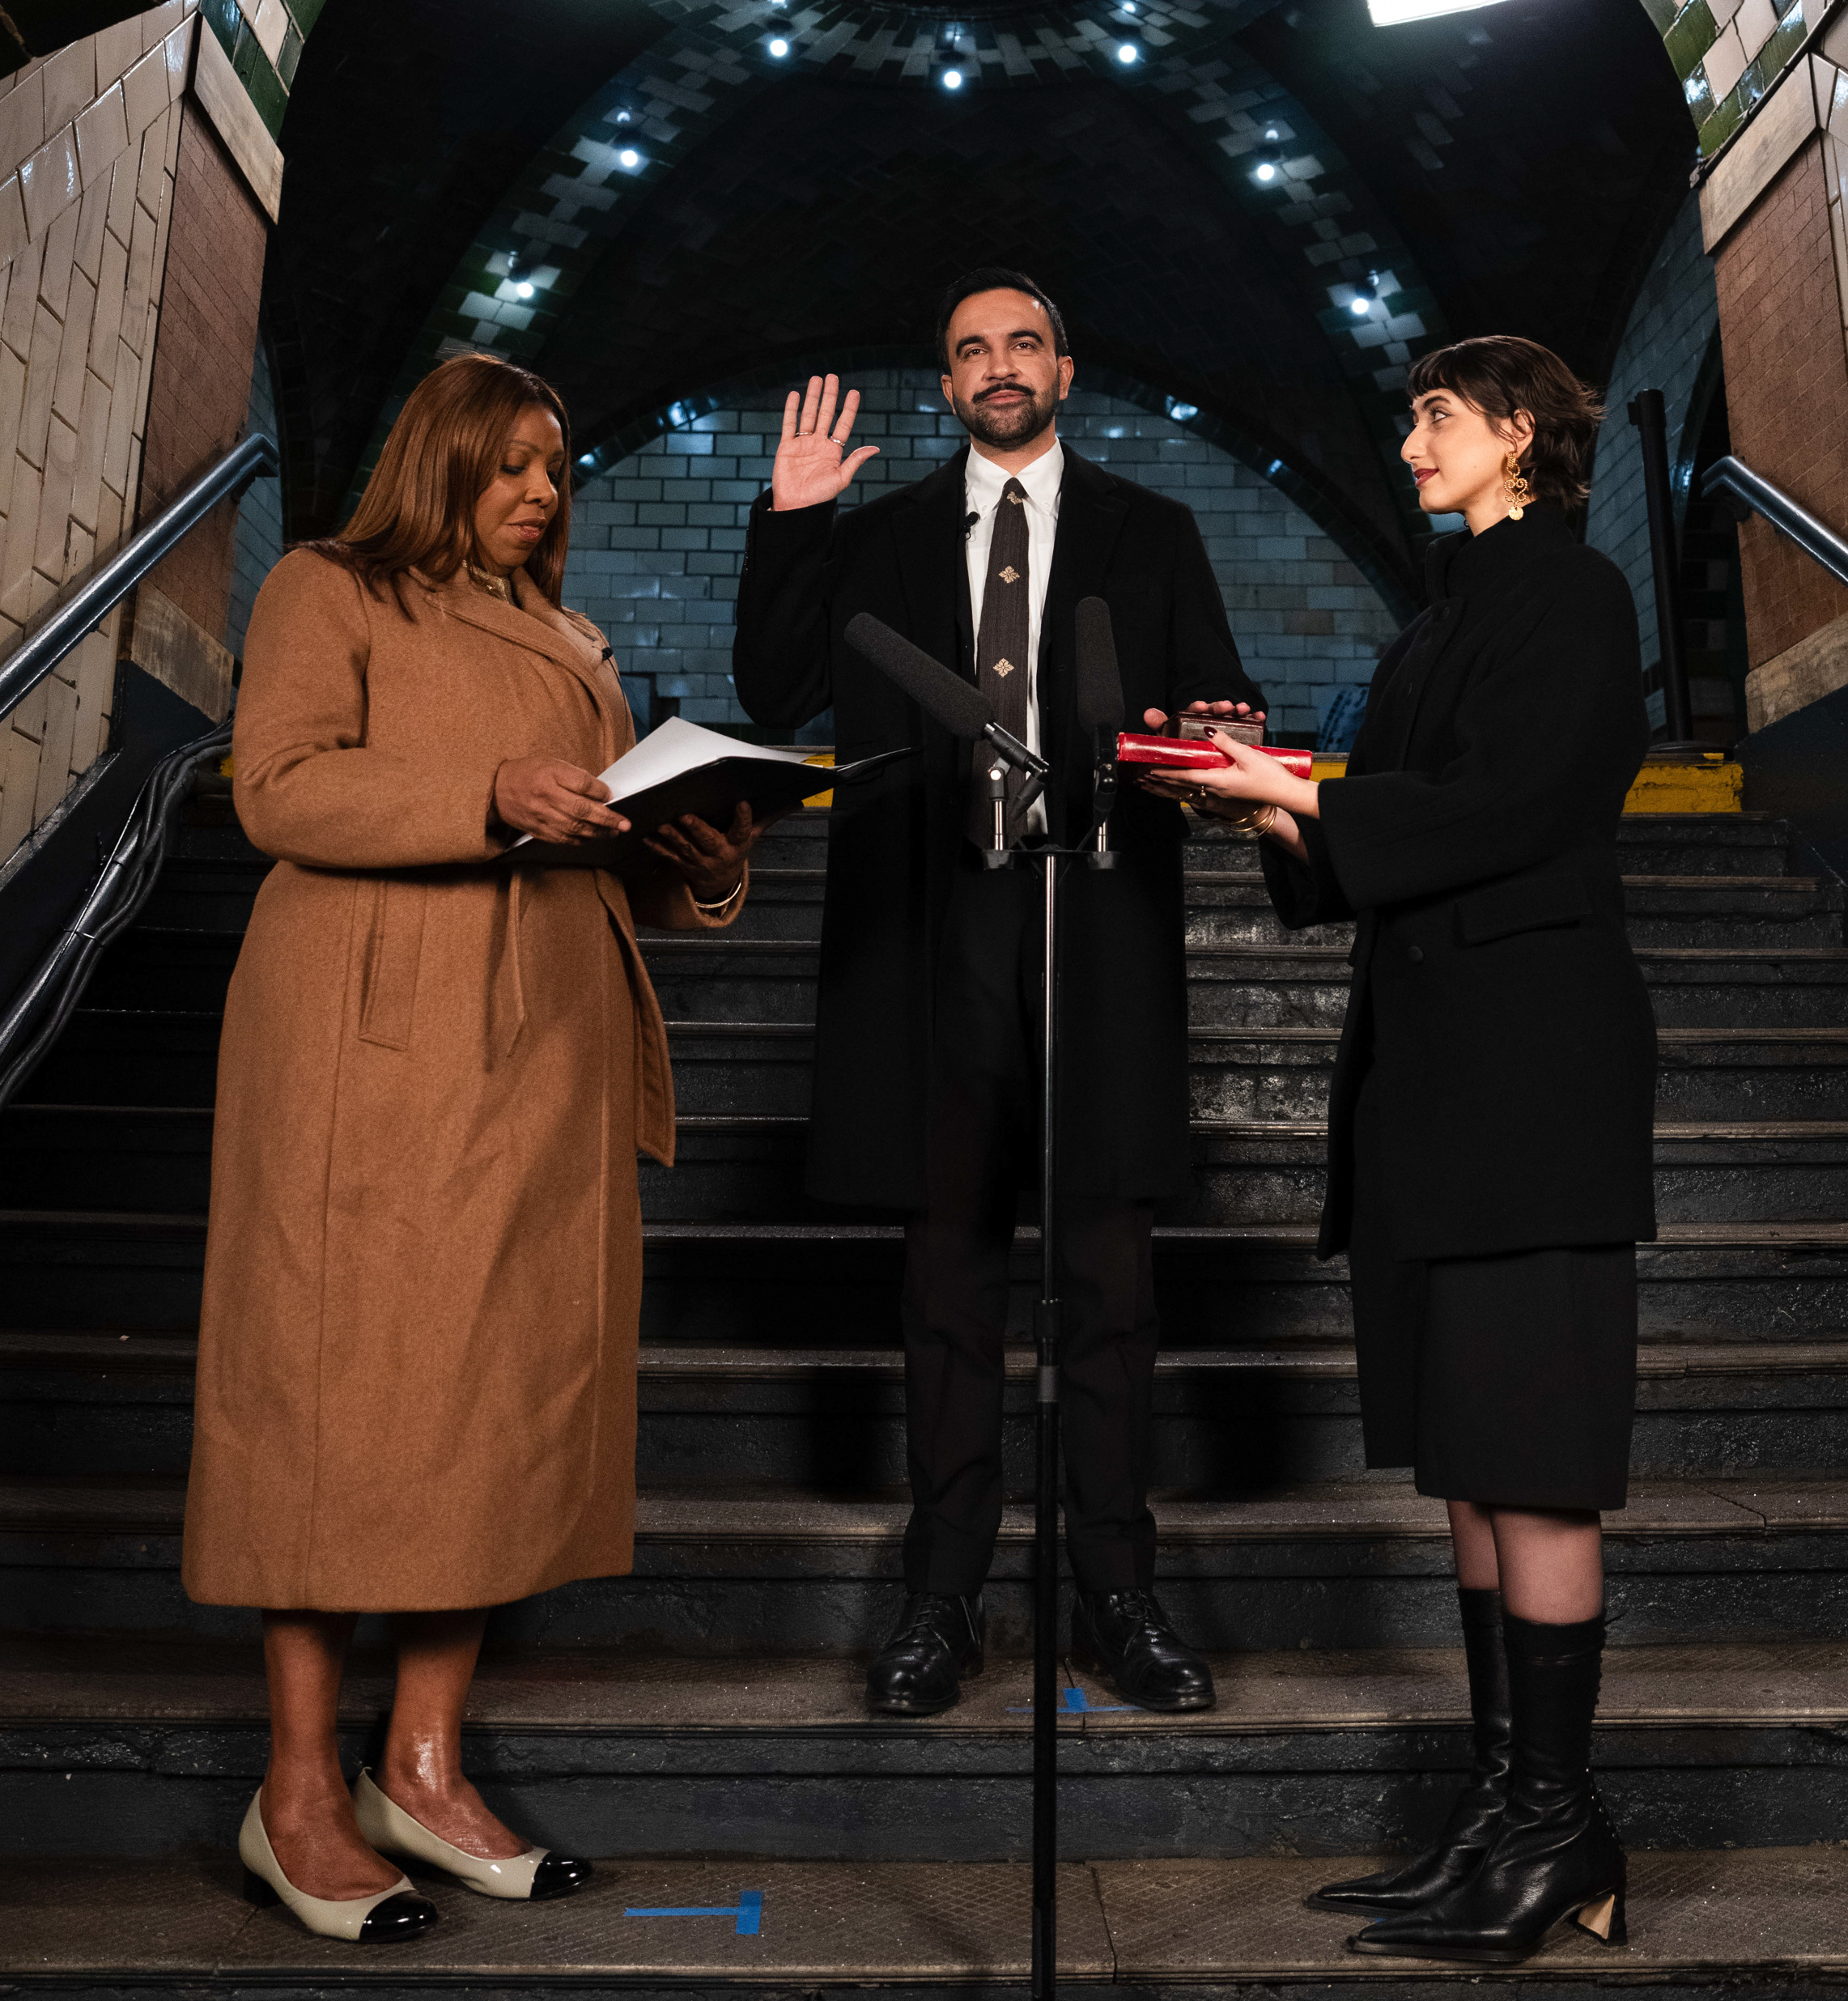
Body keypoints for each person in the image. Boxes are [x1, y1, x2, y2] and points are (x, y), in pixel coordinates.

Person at [183, 352, 758, 1944]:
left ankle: (421, 1763)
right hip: (370, 1062)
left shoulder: (573, 639)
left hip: (546, 1065)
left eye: (557, 469)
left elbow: (601, 847)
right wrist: (487, 788)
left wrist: (692, 853)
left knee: (495, 1403)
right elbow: (281, 789)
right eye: (509, 462)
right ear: (437, 457)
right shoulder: (328, 584)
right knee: (338, 1401)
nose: (538, 490)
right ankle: (296, 1786)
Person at [1169, 336, 1654, 1964]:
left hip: (1530, 1079)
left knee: (1534, 1456)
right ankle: (1500, 1803)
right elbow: (1388, 829)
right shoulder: (1440, 616)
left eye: (1431, 413)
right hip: (1435, 1084)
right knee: (1468, 1458)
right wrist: (1272, 813)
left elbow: (1512, 803)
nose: (1407, 437)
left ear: (1518, 429)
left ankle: (1560, 1816)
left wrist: (1314, 793)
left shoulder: (1567, 597)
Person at [732, 272, 1264, 1719]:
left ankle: (1120, 1592)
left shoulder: (1153, 533)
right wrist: (788, 519)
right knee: (947, 1286)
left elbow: (1217, 700)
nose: (999, 365)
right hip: (929, 937)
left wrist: (1211, 738)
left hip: (1094, 933)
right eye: (971, 350)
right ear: (948, 384)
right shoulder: (882, 537)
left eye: (1022, 343)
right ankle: (942, 1597)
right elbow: (773, 689)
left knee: (1106, 1287)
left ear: (1068, 371)